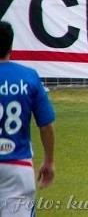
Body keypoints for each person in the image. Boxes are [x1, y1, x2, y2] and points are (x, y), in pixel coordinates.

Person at [0, 21, 56, 215]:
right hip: (17, 166)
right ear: (10, 47)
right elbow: (46, 125)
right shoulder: (28, 77)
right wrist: (49, 161)